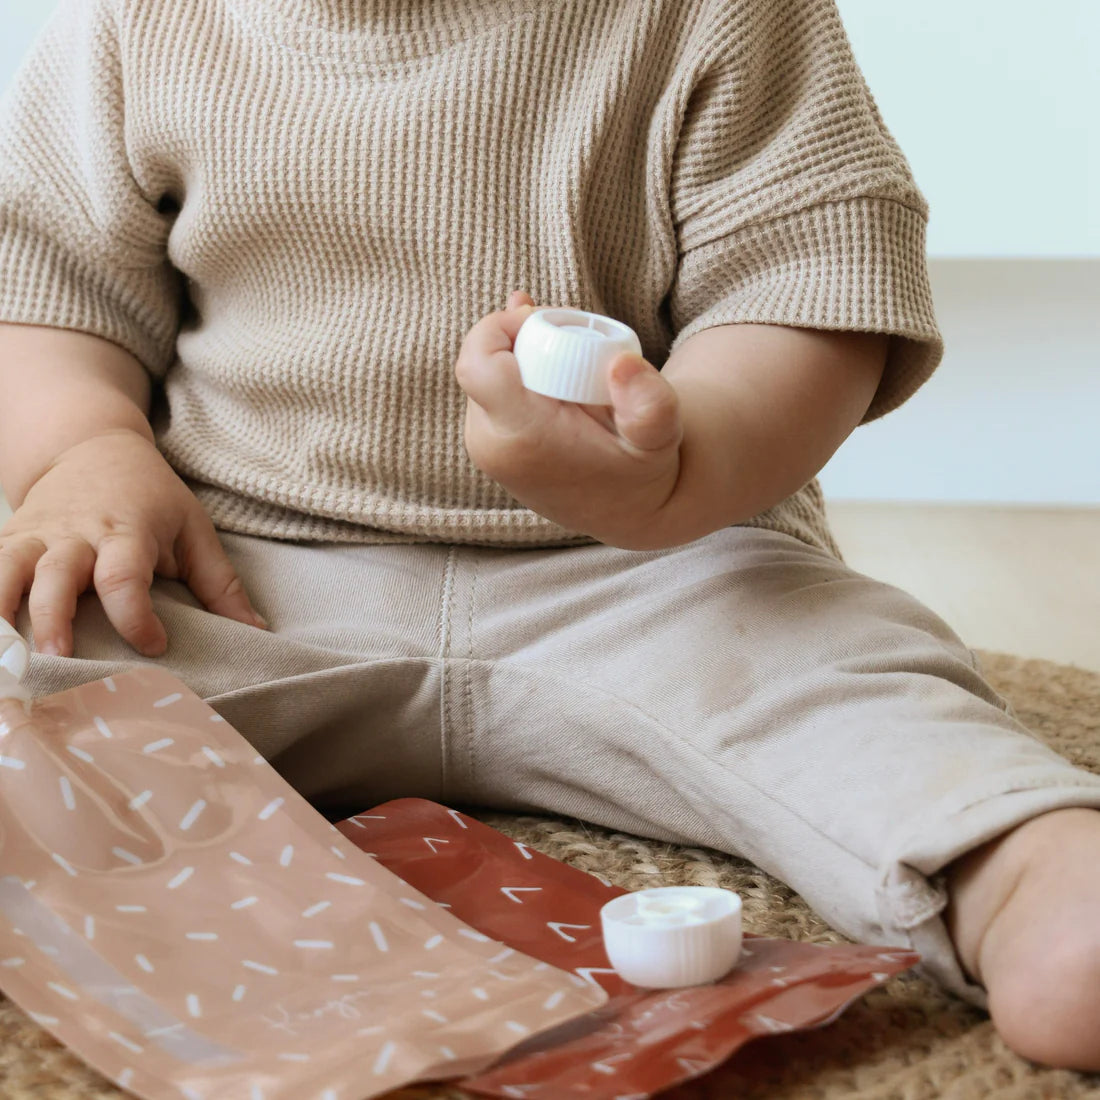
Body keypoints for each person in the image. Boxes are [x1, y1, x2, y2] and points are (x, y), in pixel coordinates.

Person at [1, 0, 1098, 1072]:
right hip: (245, 572)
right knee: (41, 652)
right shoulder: (125, 29)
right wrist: (89, 449)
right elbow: (49, 293)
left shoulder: (723, 15)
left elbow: (806, 286)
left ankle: (1018, 870)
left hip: (656, 574)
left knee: (846, 680)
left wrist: (674, 469)